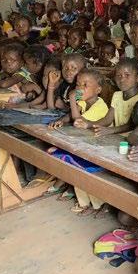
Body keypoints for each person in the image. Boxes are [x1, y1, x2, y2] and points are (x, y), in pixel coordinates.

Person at [49, 68, 109, 216]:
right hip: (86, 144)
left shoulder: (100, 106)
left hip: (100, 149)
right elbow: (70, 116)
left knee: (86, 172)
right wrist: (61, 120)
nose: (79, 88)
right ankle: (84, 202)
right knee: (76, 169)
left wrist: (72, 99)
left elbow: (77, 121)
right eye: (78, 84)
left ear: (98, 90)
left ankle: (97, 204)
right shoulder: (83, 102)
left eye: (85, 85)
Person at [85, 58, 138, 136]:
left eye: (127, 75)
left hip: (131, 139)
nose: (122, 79)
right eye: (119, 75)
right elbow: (108, 119)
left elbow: (133, 125)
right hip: (116, 136)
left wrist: (111, 130)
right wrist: (89, 124)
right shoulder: (117, 95)